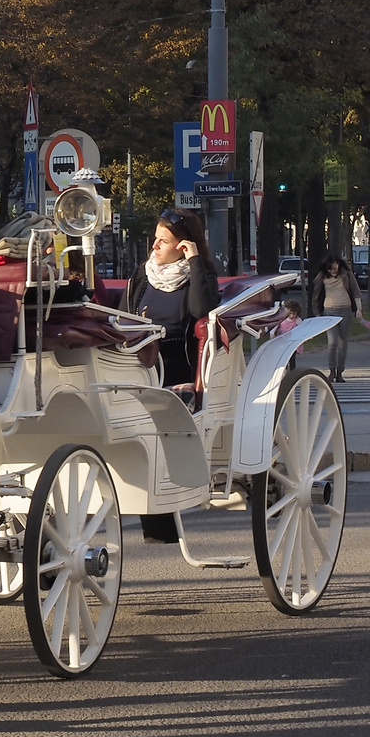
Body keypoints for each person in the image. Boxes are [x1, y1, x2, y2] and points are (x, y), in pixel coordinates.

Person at [118, 206, 220, 545]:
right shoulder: (140, 277)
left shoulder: (198, 274)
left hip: (176, 366)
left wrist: (195, 263)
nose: (155, 247)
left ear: (184, 245)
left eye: (164, 241)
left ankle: (159, 518)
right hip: (138, 363)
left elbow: (202, 311)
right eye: (155, 240)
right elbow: (120, 318)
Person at [309, 254, 362, 382]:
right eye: (330, 269)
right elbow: (316, 295)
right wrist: (317, 313)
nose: (333, 271)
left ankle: (340, 371)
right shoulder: (322, 276)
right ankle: (331, 370)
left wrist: (359, 309)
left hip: (345, 310)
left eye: (334, 268)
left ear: (338, 264)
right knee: (332, 343)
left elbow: (356, 291)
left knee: (342, 343)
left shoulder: (347, 274)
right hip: (329, 311)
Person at [275, 300, 304, 370]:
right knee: (283, 357)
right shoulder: (282, 318)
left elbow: (302, 328)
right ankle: (284, 369)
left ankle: (292, 370)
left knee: (292, 357)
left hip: (292, 342)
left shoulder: (297, 320)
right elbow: (275, 326)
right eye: (290, 313)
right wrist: (272, 333)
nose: (292, 316)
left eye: (294, 314)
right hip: (283, 341)